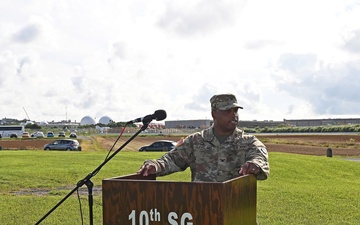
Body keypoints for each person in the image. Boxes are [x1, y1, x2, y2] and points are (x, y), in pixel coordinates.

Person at [137, 93, 269, 182]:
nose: (233, 115)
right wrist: (155, 165)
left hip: (237, 212)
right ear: (214, 114)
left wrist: (255, 165)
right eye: (227, 111)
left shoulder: (249, 141)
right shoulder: (195, 141)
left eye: (235, 111)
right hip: (203, 209)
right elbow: (172, 159)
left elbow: (259, 158)